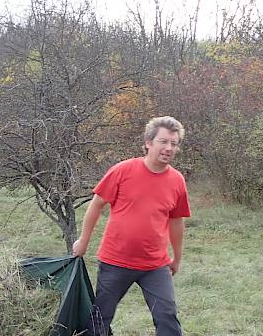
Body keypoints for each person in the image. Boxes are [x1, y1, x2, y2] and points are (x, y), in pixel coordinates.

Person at [73, 116, 190, 336]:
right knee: (100, 319)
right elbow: (96, 205)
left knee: (167, 318)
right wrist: (83, 241)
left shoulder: (177, 180)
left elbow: (176, 221)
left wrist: (177, 257)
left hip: (155, 265)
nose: (169, 148)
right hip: (115, 261)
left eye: (174, 144)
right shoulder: (123, 170)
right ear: (148, 142)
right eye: (163, 142)